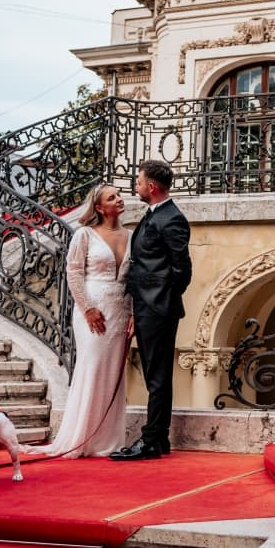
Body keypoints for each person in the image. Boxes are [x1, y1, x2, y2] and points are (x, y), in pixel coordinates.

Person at [24, 183, 131, 457]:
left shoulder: (131, 236)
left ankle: (107, 440)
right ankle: (80, 436)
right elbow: (73, 273)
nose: (119, 199)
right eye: (112, 197)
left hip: (120, 309)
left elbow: (135, 279)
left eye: (119, 195)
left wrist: (133, 314)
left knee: (114, 372)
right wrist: (87, 308)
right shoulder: (85, 234)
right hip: (92, 309)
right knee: (91, 367)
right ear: (99, 207)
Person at [110, 160, 192, 460]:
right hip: (148, 304)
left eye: (139, 182)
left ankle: (151, 440)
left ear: (152, 187)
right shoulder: (155, 214)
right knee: (154, 375)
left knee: (157, 377)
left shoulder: (171, 218)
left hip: (158, 307)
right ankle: (159, 439)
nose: (137, 186)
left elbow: (182, 268)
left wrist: (161, 298)